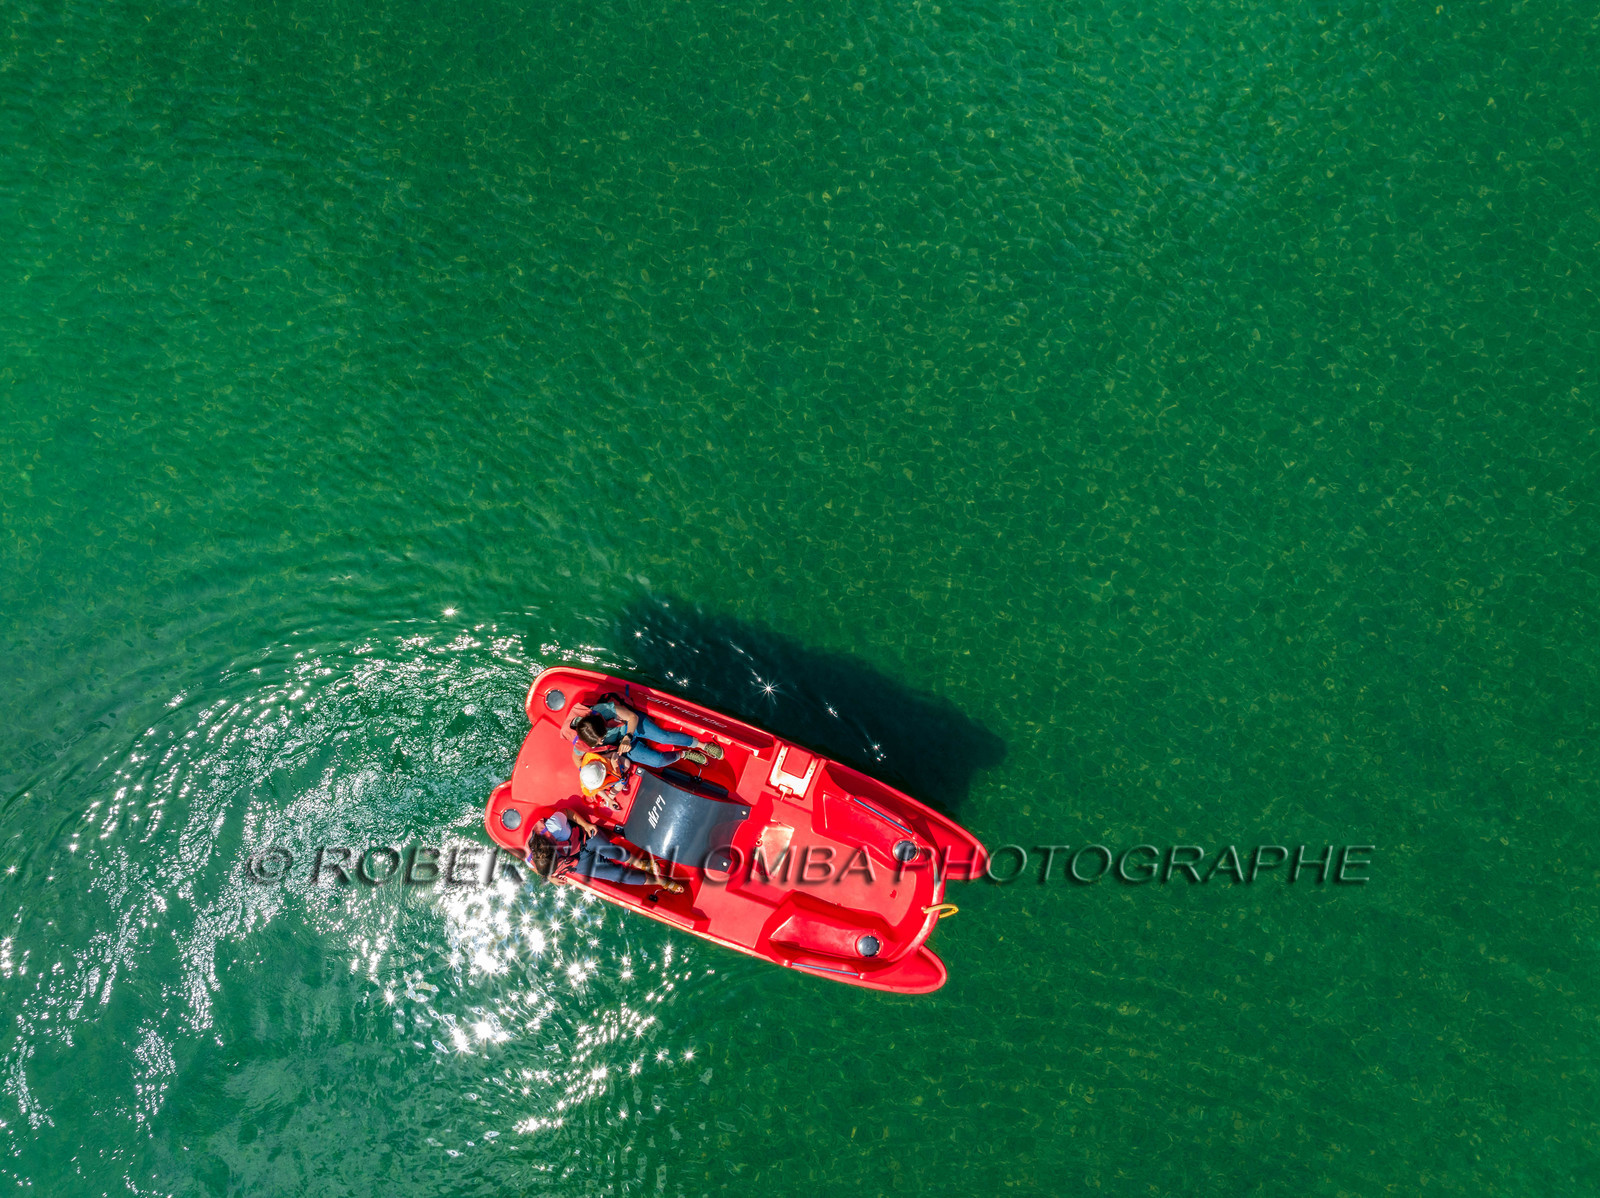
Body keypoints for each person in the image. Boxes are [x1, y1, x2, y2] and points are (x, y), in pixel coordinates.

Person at [525, 809, 685, 893]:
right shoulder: (531, 857)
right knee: (618, 876)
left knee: (613, 852)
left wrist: (586, 825)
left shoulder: (555, 828)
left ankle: (640, 863)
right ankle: (660, 882)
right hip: (576, 861)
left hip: (582, 838)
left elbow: (566, 812)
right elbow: (535, 868)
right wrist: (550, 878)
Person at [568, 692, 724, 773]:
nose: (601, 743)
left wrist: (628, 737)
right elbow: (576, 759)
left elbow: (631, 717)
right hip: (622, 746)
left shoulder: (603, 711)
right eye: (598, 743)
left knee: (664, 737)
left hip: (631, 727)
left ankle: (703, 745)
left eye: (601, 738)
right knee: (657, 762)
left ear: (602, 726)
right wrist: (587, 769)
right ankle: (684, 754)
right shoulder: (581, 743)